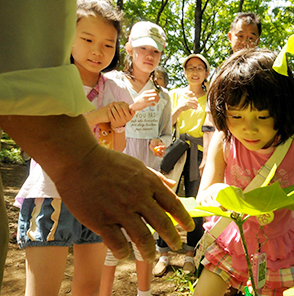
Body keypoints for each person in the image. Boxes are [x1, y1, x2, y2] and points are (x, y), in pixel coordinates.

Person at [13, 2, 159, 295]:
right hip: (51, 193)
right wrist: (100, 116)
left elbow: (117, 149)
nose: (98, 50)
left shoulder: (114, 89)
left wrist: (117, 126)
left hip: (98, 196)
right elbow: (47, 140)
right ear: (68, 38)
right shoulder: (53, 82)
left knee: (89, 287)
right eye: (88, 39)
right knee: (42, 289)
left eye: (108, 43)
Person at [193, 48, 294, 296]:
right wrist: (217, 192)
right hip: (231, 238)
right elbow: (205, 193)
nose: (249, 129)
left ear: (284, 111)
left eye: (262, 116)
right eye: (236, 116)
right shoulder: (223, 141)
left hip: (278, 244)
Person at [99, 21, 171, 296]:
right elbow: (100, 124)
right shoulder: (112, 82)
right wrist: (134, 107)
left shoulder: (164, 96)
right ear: (129, 48)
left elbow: (166, 132)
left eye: (156, 51)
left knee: (144, 239)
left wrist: (160, 143)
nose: (149, 55)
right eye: (142, 48)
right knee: (110, 240)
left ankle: (144, 293)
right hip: (113, 173)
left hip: (146, 174)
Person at [152, 54, 209, 276]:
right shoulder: (173, 95)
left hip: (200, 154)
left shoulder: (212, 97)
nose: (194, 72)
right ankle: (163, 254)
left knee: (196, 205)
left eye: (199, 68)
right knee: (166, 200)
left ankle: (190, 256)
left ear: (206, 73)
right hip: (175, 151)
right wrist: (181, 108)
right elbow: (164, 125)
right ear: (184, 72)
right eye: (190, 68)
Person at [201, 12, 262, 175]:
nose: (245, 42)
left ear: (258, 41)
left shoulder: (264, 74)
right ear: (230, 37)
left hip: (259, 149)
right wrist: (207, 154)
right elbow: (210, 119)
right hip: (226, 149)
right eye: (240, 36)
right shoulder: (219, 76)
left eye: (251, 38)